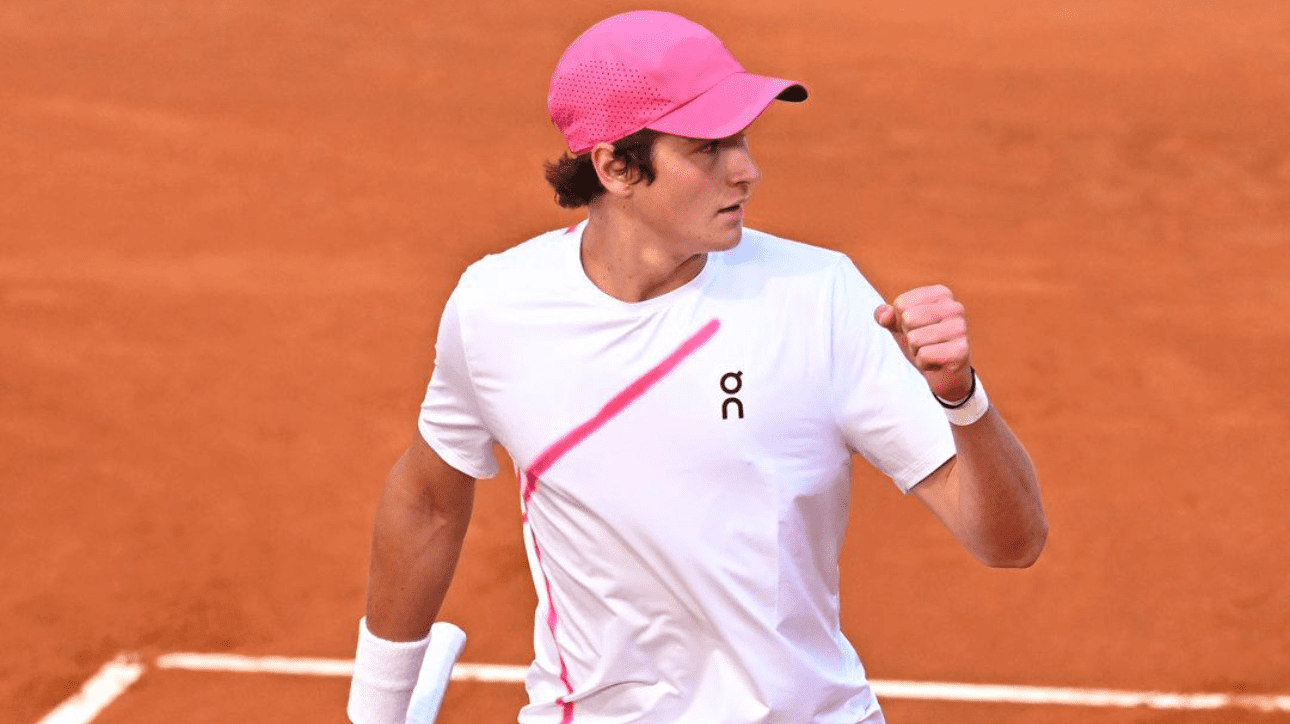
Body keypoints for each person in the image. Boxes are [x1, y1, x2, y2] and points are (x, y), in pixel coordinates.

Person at [347, 10, 1047, 724]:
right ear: (616, 167)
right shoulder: (497, 306)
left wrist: (961, 400)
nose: (746, 170)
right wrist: (374, 709)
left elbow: (1011, 542)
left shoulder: (819, 298)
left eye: (740, 138)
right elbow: (428, 501)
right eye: (708, 147)